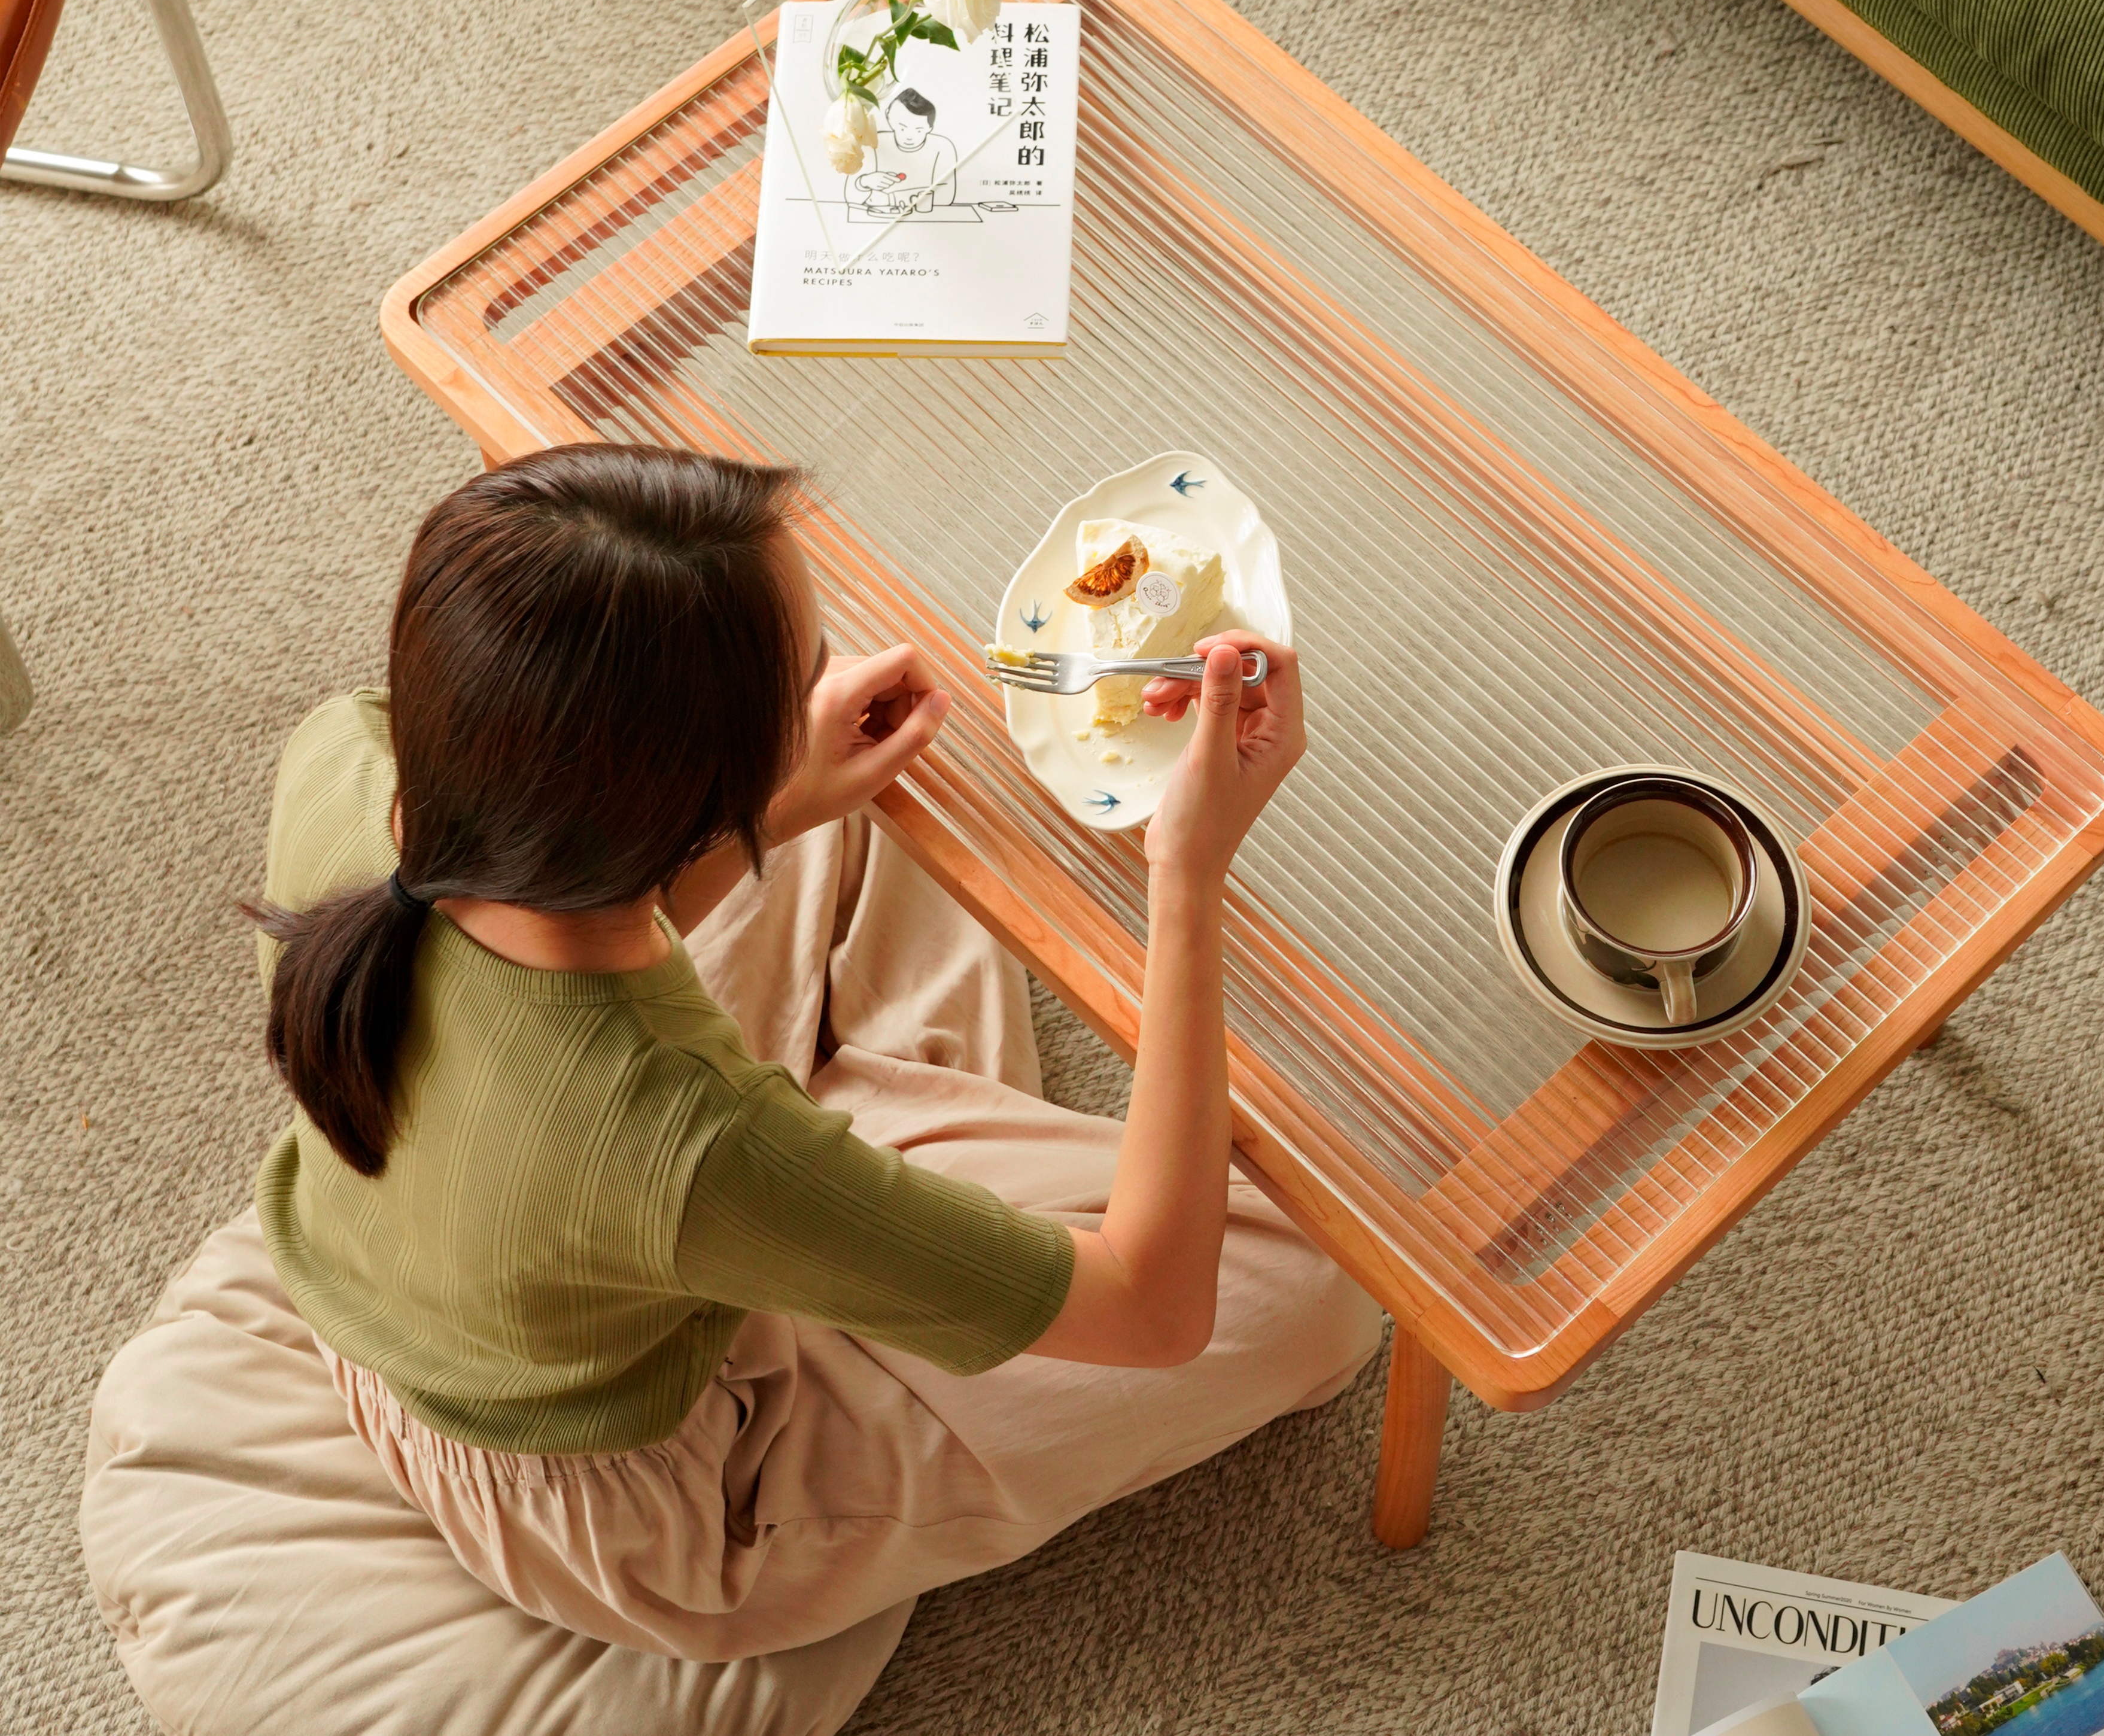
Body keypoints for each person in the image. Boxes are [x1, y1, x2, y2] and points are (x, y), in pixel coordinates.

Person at [247, 442, 1379, 1661]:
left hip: (473, 1269)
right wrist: (1188, 877)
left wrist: (789, 795)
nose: (820, 686)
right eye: (799, 679)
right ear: (686, 799)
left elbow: (547, 927)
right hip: (627, 1494)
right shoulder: (682, 1138)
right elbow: (1156, 1311)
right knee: (1323, 1284)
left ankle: (860, 1168)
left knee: (889, 792)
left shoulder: (344, 753)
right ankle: (864, 1178)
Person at [864, 87, 959, 214]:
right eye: (902, 128)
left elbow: (947, 195)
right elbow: (850, 195)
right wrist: (864, 182)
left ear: (930, 128)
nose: (909, 136)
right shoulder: (875, 142)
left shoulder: (942, 147)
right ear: (889, 117)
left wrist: (892, 199)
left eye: (919, 130)